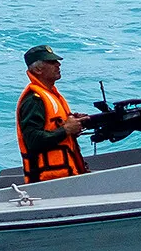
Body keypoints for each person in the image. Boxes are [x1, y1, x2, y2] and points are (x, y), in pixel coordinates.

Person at [16, 45, 88, 183]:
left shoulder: (51, 95)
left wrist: (74, 123)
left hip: (63, 178)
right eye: (51, 62)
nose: (58, 64)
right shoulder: (34, 100)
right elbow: (32, 140)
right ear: (38, 69)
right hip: (46, 182)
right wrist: (66, 129)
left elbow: (52, 127)